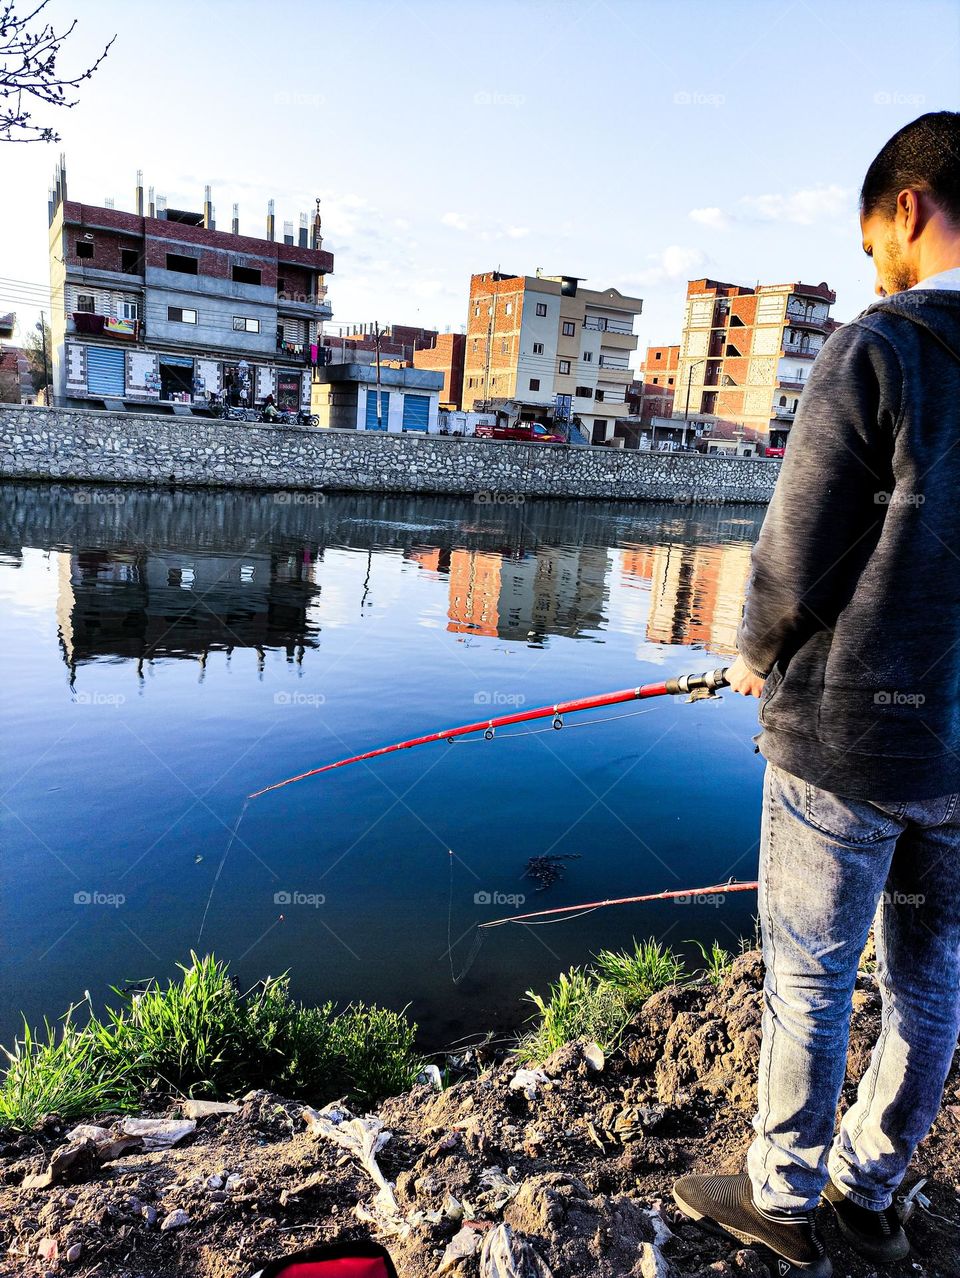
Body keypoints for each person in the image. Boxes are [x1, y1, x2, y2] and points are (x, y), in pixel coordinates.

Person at [673, 112, 960, 1277]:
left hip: (846, 735)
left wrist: (752, 653)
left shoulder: (880, 346)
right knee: (933, 978)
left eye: (872, 240)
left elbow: (798, 551)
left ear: (908, 206)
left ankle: (782, 1195)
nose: (871, 269)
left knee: (811, 968)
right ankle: (874, 1191)